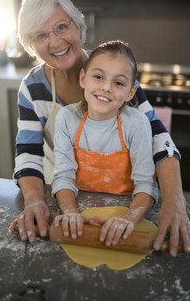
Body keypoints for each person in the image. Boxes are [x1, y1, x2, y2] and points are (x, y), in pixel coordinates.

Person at [8, 0, 190, 256]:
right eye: (41, 35)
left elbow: (159, 138)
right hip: (61, 193)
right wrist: (35, 201)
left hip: (123, 200)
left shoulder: (111, 71)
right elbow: (28, 154)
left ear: (79, 25)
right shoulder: (33, 86)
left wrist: (175, 201)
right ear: (32, 46)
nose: (56, 42)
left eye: (62, 27)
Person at [52, 40, 158, 246]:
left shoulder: (136, 123)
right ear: (83, 78)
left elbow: (147, 184)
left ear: (130, 92)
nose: (106, 87)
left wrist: (129, 219)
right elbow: (64, 176)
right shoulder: (66, 118)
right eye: (98, 77)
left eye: (118, 83)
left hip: (127, 212)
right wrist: (71, 213)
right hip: (81, 212)